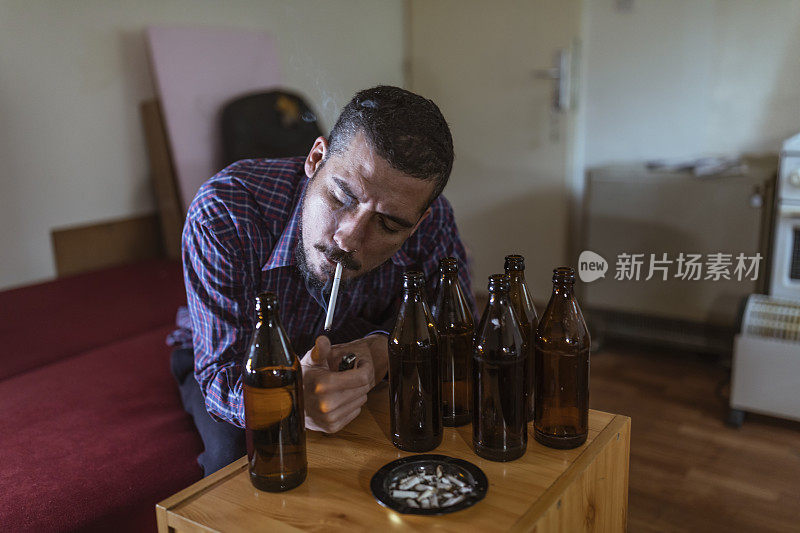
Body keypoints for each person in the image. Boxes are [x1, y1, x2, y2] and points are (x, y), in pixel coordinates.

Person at [170, 85, 476, 476]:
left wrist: (384, 352)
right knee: (237, 457)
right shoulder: (226, 211)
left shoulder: (433, 223)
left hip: (358, 352)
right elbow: (219, 375)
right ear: (316, 159)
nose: (349, 238)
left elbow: (455, 334)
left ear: (419, 223)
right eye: (343, 196)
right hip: (239, 355)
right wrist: (289, 399)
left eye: (388, 224)